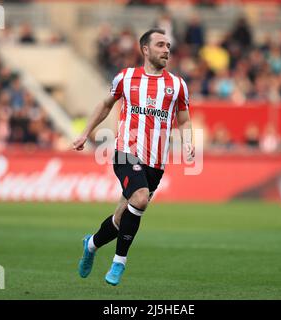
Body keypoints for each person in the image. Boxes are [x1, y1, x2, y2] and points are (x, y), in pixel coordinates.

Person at [72, 28, 194, 286]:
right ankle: (119, 262)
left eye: (168, 45)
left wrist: (188, 142)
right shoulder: (126, 78)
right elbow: (105, 105)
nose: (166, 50)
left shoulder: (177, 85)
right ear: (145, 49)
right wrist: (85, 133)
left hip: (156, 162)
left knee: (122, 216)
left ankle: (91, 245)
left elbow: (183, 118)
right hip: (126, 152)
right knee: (140, 199)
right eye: (160, 44)